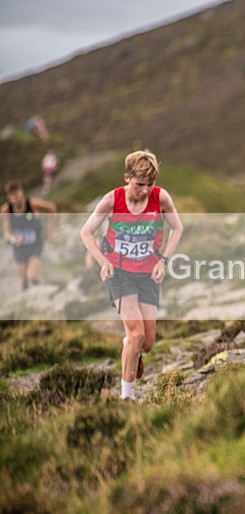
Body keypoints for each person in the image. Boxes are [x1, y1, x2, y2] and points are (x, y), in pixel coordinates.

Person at [81, 150, 183, 401]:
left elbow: (177, 228)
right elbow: (86, 232)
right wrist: (102, 261)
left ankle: (133, 350)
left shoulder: (161, 198)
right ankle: (127, 397)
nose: (146, 190)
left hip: (148, 273)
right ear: (127, 178)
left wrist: (164, 260)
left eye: (151, 184)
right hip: (120, 272)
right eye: (140, 185)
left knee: (147, 342)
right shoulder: (111, 200)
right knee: (136, 333)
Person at [2, 181, 57, 290]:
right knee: (23, 282)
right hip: (19, 247)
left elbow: (52, 207)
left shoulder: (32, 204)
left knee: (31, 276)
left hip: (35, 245)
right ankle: (28, 298)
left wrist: (52, 231)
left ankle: (44, 290)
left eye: (16, 196)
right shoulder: (6, 209)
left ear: (21, 193)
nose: (14, 199)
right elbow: (6, 231)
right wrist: (13, 238)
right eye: (12, 197)